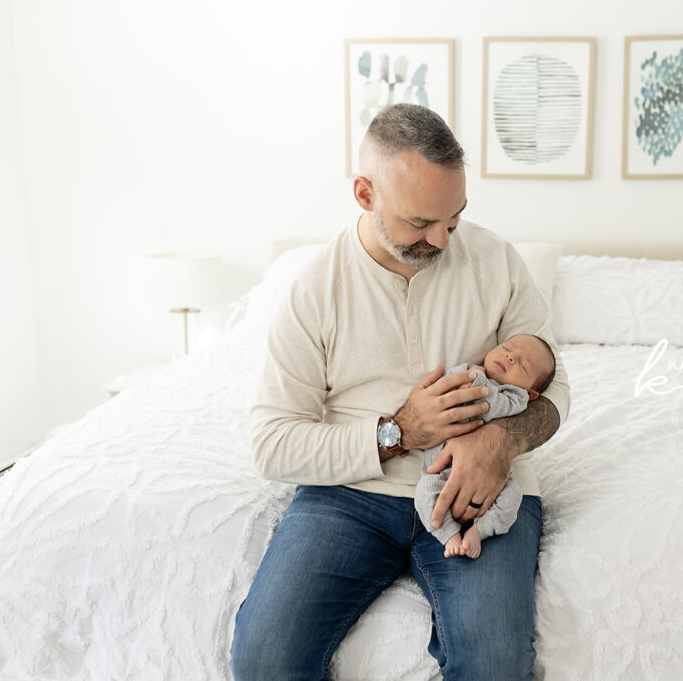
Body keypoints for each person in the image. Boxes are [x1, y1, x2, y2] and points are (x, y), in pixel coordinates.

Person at [229, 103, 570, 680]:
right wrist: (399, 433)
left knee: (494, 666)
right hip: (348, 495)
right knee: (265, 660)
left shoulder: (497, 262)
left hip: (480, 490)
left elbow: (557, 390)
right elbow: (272, 444)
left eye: (454, 218)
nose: (442, 238)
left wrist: (499, 445)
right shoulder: (315, 289)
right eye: (420, 223)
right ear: (365, 194)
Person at [417, 334, 556, 559]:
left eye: (522, 364)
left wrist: (477, 380)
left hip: (492, 482)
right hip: (440, 471)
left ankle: (479, 531)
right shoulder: (463, 371)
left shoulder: (515, 398)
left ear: (531, 393)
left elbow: (492, 406)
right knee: (424, 495)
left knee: (512, 498)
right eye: (507, 348)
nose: (510, 357)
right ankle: (448, 535)